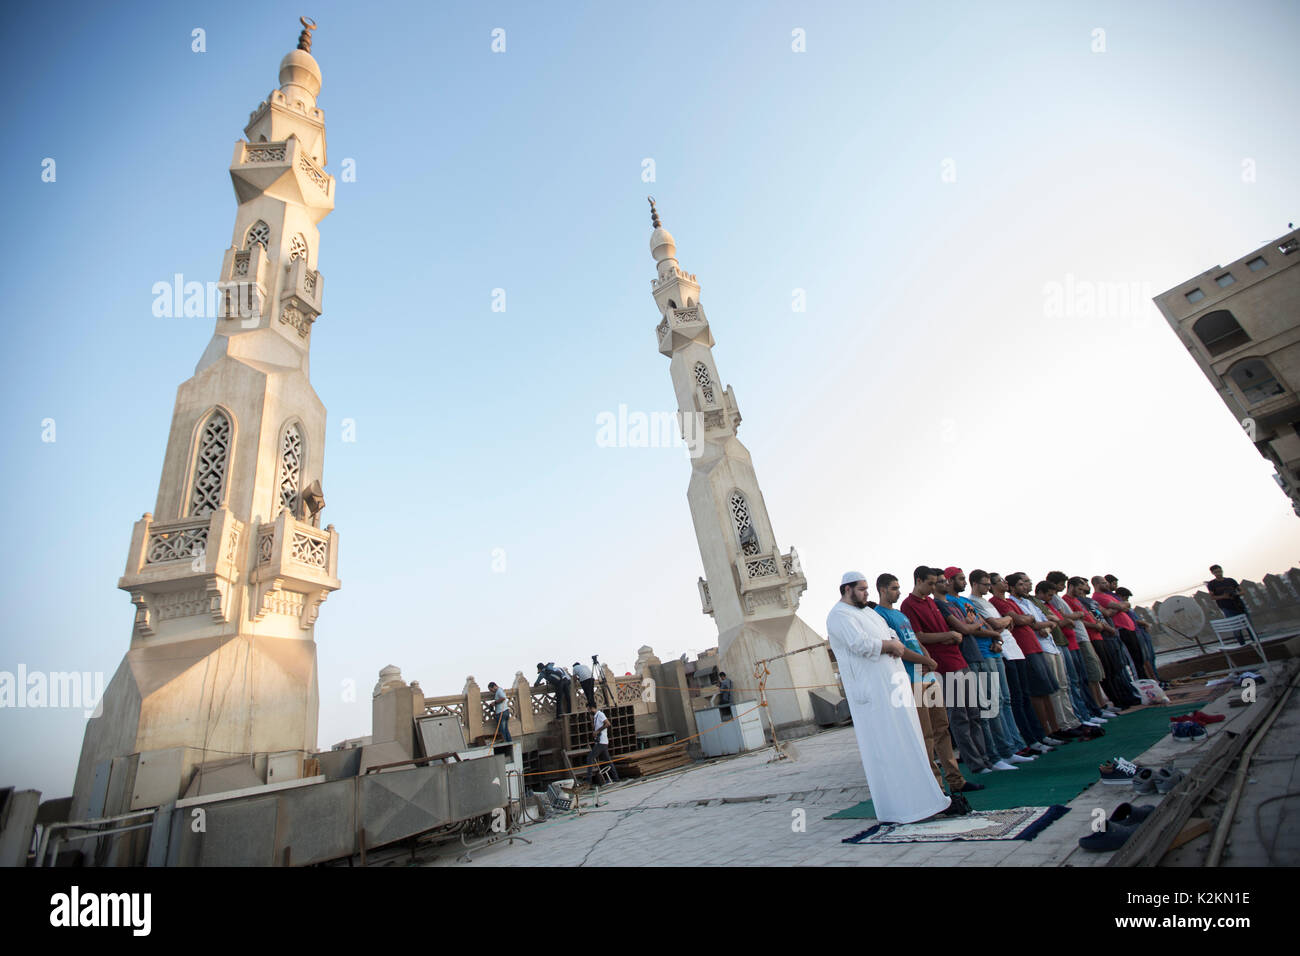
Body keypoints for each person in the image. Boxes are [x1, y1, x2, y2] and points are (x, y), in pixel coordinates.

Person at [827, 571, 953, 822]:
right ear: (847, 589)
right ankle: (902, 808)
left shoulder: (869, 612)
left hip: (894, 687)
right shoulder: (839, 615)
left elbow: (893, 635)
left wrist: (892, 644)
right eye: (862, 589)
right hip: (873, 695)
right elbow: (861, 644)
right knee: (888, 748)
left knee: (910, 742)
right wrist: (890, 646)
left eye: (867, 589)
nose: (866, 593)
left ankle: (926, 802)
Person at [875, 573, 981, 796]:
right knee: (926, 734)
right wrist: (925, 660)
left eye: (898, 587)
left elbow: (914, 639)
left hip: (928, 676)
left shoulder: (900, 614)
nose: (898, 591)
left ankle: (956, 780)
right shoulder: (880, 616)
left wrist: (927, 658)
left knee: (942, 728)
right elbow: (899, 647)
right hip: (912, 679)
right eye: (894, 588)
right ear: (883, 590)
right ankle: (936, 786)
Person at [902, 567, 995, 776]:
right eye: (931, 583)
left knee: (974, 713)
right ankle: (975, 764)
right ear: (918, 580)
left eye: (937, 583)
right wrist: (948, 635)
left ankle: (984, 758)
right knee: (960, 716)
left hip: (959, 660)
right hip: (943, 665)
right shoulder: (908, 605)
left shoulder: (932, 603)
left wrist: (951, 635)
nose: (935, 587)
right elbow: (918, 637)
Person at [940, 568, 1021, 771]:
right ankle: (993, 755)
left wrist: (994, 635)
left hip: (982, 652)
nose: (964, 582)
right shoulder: (945, 604)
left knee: (1002, 702)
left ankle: (1009, 749)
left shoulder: (960, 603)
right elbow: (968, 627)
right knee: (984, 709)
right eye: (960, 579)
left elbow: (978, 623)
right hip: (972, 656)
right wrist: (991, 630)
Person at [965, 570, 1038, 761]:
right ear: (975, 584)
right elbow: (994, 624)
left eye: (990, 584)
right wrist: (1003, 624)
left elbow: (1004, 623)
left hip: (1004, 648)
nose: (988, 588)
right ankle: (1007, 748)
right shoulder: (971, 602)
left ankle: (1016, 744)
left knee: (1006, 699)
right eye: (985, 584)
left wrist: (1003, 624)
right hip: (990, 652)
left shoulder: (987, 602)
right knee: (996, 703)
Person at [1207, 565, 1251, 646]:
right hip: (1227, 608)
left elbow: (1242, 591)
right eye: (1216, 572)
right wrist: (1223, 596)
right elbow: (1212, 597)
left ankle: (1255, 640)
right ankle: (1242, 644)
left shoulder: (1230, 580)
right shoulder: (1212, 584)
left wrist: (1235, 594)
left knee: (1249, 626)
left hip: (1239, 605)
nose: (1219, 573)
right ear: (1213, 573)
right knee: (1236, 628)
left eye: (1220, 571)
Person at [586, 703, 619, 786]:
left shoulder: (600, 714)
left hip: (602, 741)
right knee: (608, 760)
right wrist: (591, 721)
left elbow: (608, 724)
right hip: (601, 742)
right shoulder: (595, 717)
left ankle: (588, 782)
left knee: (590, 758)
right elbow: (594, 728)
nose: (588, 712)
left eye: (589, 710)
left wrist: (598, 731)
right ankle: (616, 778)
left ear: (592, 708)